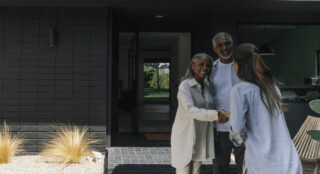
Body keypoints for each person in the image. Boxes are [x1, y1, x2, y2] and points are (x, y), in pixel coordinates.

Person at [229, 43, 302, 174]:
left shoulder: (239, 91)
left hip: (263, 163)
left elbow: (237, 129)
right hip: (290, 161)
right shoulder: (273, 88)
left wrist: (237, 140)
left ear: (238, 65)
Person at [171, 53, 229, 174]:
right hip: (186, 134)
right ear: (193, 67)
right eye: (201, 64)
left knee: (196, 171)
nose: (204, 68)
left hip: (200, 135)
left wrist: (217, 124)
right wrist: (216, 115)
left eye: (208, 65)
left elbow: (209, 107)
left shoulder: (207, 86)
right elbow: (190, 111)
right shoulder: (185, 85)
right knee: (184, 170)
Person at [210, 32, 245, 174]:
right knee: (220, 165)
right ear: (215, 49)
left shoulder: (243, 67)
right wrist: (211, 126)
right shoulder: (211, 69)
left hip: (242, 125)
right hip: (220, 127)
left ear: (233, 44)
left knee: (244, 164)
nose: (225, 47)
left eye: (227, 43)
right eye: (220, 45)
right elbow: (209, 98)